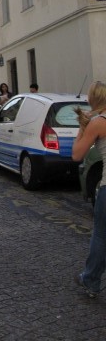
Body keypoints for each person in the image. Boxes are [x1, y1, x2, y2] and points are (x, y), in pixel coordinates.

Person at [72, 80, 106, 298]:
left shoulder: (98, 123)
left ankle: (90, 279)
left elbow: (76, 155)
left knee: (101, 236)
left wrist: (82, 127)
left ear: (93, 99)